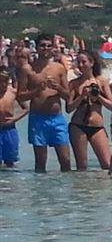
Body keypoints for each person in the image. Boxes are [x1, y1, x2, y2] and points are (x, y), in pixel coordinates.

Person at [17, 34, 71, 172]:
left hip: (57, 118)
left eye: (48, 45)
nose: (45, 48)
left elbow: (68, 96)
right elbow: (20, 97)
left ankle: (66, 192)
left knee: (65, 161)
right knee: (40, 163)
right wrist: (37, 90)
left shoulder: (59, 68)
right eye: (42, 45)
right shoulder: (27, 69)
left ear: (53, 47)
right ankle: (41, 193)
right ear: (37, 48)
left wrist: (57, 88)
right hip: (38, 119)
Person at [66, 51, 112, 171]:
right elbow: (68, 108)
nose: (81, 65)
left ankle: (105, 189)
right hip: (78, 126)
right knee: (81, 166)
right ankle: (83, 189)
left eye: (84, 62)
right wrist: (81, 96)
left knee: (107, 164)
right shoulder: (74, 83)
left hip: (97, 127)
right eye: (79, 62)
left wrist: (98, 97)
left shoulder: (101, 82)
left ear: (91, 63)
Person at [0, 66, 28, 167]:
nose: (2, 84)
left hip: (9, 129)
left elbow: (26, 109)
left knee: (10, 161)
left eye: (5, 81)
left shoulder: (13, 92)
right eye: (0, 81)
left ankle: (10, 182)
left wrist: (16, 118)